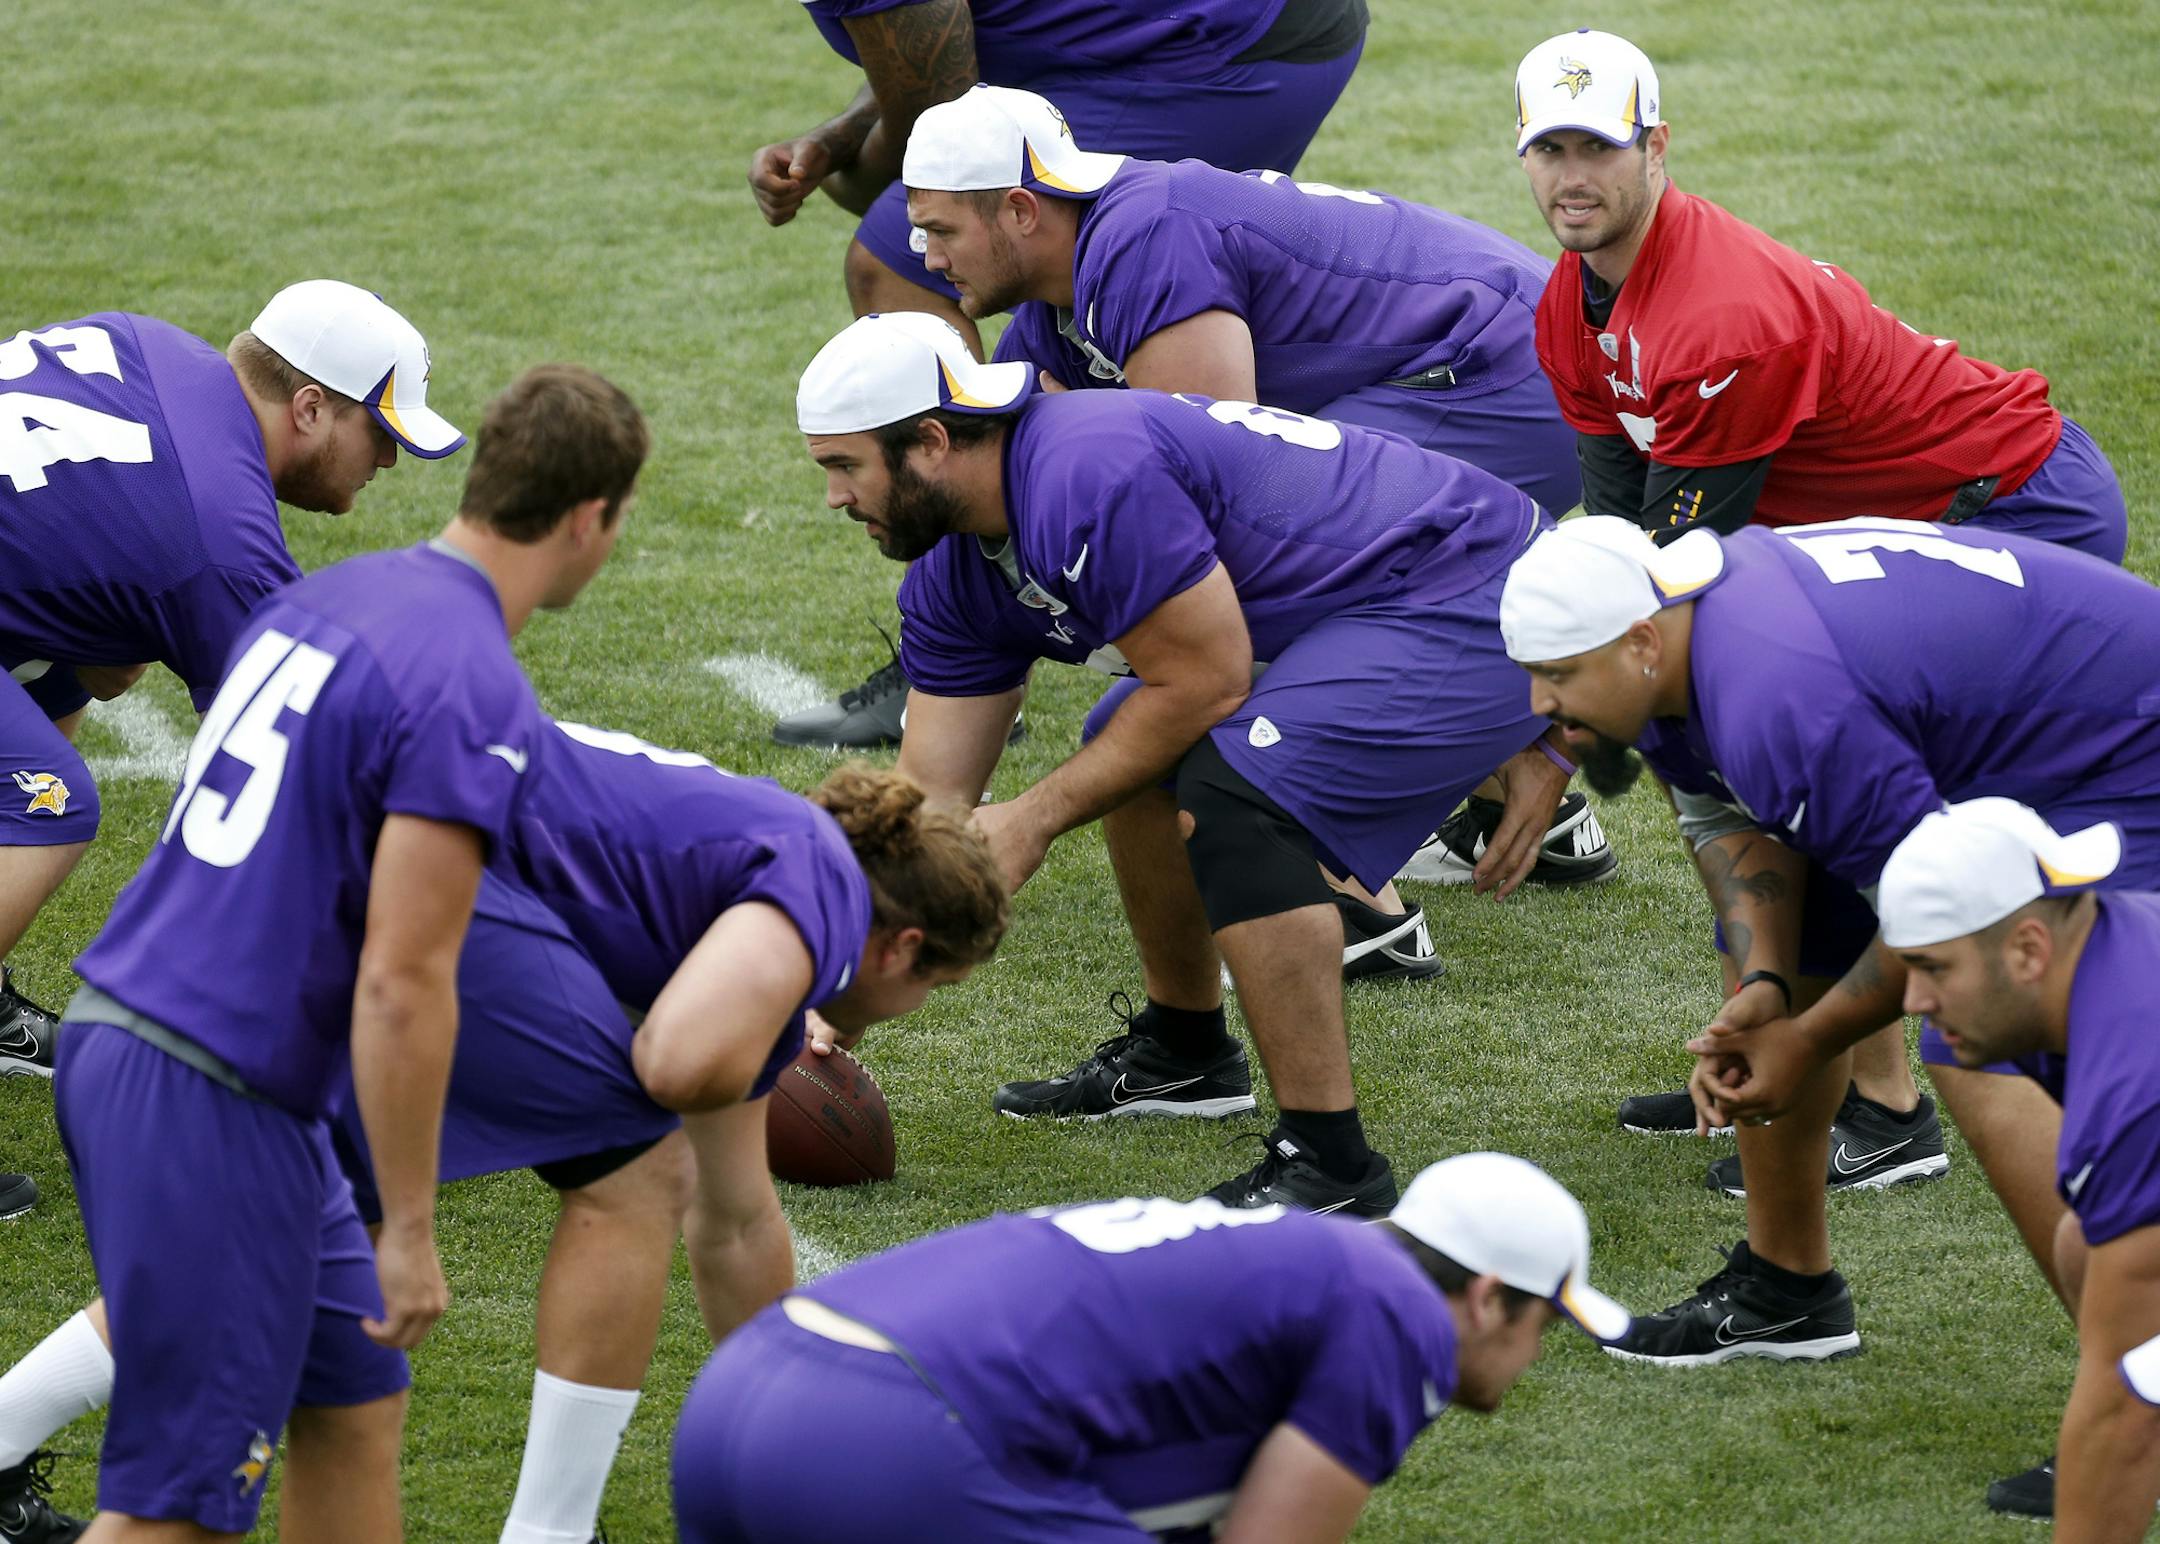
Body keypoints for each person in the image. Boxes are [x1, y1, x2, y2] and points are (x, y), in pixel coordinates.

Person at [0, 730, 1004, 1544]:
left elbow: (738, 1218)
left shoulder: (767, 843)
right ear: (904, 944)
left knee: (280, 1225)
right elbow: (675, 1067)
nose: (912, 1006)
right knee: (639, 1157)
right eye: (934, 987)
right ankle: (550, 1529)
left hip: (306, 873)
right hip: (417, 880)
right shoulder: (820, 890)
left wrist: (799, 1408)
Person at [49, 364, 643, 1542]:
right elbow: (405, 973)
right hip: (212, 1084)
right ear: (592, 519)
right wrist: (412, 1226)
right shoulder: (467, 675)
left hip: (154, 1040)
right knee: (179, 1507)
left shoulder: (336, 595)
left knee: (353, 1401)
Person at [798, 312, 1568, 1214]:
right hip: (1373, 602)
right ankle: (1186, 1050)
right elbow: (923, 816)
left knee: (1232, 789)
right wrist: (829, 990)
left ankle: (1329, 1164)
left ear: (930, 441)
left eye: (844, 466)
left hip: (1482, 585)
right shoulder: (953, 572)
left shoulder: (1081, 469)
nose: (834, 499)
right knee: (1128, 738)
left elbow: (1205, 681)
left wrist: (1032, 820)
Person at [1511, 26, 2131, 1143]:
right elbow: (1616, 539)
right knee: (1742, 753)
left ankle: (1896, 1097)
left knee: (1861, 801)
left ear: (1657, 147)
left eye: (1596, 147)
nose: (1572, 176)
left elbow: (1655, 601)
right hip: (1893, 519)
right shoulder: (1571, 305)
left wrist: (1561, 741)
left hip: (2012, 503)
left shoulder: (1715, 316)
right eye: (1549, 149)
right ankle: (1805, 1047)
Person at [1495, 516, 2160, 1409]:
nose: (1541, 704)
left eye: (1559, 673)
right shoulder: (1674, 640)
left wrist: (1808, 1041)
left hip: (2120, 750)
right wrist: (1771, 990)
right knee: (1785, 976)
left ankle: (2132, 1387)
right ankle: (1785, 1290)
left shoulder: (1778, 696)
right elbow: (1729, 821)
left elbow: (1942, 933)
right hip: (1987, 735)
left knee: (1977, 1029)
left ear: (1641, 642)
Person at [899, 85, 1616, 900]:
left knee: (1267, 571)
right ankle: (1510, 785)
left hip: (1507, 366)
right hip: (1491, 351)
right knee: (1259, 587)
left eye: (941, 229)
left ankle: (1345, 870)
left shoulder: (1143, 238)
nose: (925, 254)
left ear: (1022, 210)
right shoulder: (1070, 287)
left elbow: (1217, 507)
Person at [760, 0, 1367, 750]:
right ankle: (978, 640)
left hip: (1212, 44)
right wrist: (838, 136)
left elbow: (927, 105)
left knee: (900, 256)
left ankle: (1005, 635)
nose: (834, 498)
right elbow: (928, 58)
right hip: (1154, 41)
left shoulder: (1141, 234)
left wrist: (850, 157)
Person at [672, 1151, 1631, 1543]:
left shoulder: (1304, 1260)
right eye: (1545, 1324)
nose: (1536, 1354)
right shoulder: (1402, 1312)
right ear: (1492, 1296)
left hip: (737, 1397)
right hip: (891, 1441)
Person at [0, 280, 464, 1078]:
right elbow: (289, 796)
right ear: (311, 408)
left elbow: (102, 659)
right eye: (379, 431)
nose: (388, 459)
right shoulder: (224, 545)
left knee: (54, 681)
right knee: (47, 801)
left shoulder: (148, 337)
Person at [1881, 799, 2160, 1535]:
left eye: (1933, 967)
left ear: (2028, 950)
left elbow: (2123, 1412)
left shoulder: (2138, 1089)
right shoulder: (2106, 951)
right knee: (2082, 1245)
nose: (1913, 1001)